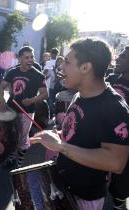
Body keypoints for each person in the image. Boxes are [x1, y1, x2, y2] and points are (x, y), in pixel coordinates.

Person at [30, 38, 129, 210]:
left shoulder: (114, 108)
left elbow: (116, 162)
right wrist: (61, 135)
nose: (61, 67)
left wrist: (60, 146)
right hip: (64, 185)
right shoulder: (79, 95)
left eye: (67, 62)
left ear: (85, 67)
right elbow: (81, 134)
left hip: (85, 197)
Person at [0, 46, 48, 167]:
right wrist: (2, 102)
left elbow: (45, 94)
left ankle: (19, 163)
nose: (30, 60)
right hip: (11, 110)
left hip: (27, 111)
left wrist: (32, 100)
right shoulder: (12, 72)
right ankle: (11, 158)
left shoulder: (38, 75)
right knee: (11, 135)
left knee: (22, 138)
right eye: (27, 57)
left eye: (32, 57)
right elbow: (0, 88)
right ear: (19, 59)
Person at [106, 46, 129, 210]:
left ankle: (118, 201)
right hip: (107, 136)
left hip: (125, 140)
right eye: (118, 56)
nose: (118, 59)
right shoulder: (112, 78)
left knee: (122, 177)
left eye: (123, 57)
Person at [43, 48, 59, 116]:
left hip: (50, 83)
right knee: (55, 99)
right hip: (58, 82)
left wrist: (43, 78)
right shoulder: (59, 62)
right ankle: (55, 113)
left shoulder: (49, 62)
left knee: (50, 99)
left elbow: (45, 72)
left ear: (51, 53)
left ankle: (50, 114)